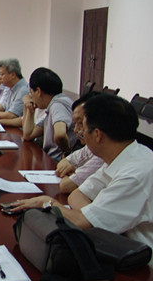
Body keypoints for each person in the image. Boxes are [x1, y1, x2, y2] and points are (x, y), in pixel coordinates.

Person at [11, 94, 153, 265]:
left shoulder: (135, 173)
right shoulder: (119, 156)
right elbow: (76, 195)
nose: (79, 133)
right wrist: (92, 215)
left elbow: (81, 222)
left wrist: (46, 202)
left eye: (83, 129)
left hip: (140, 266)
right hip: (114, 246)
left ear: (98, 135)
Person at [21, 67, 77, 161]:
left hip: (56, 162)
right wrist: (29, 108)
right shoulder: (53, 105)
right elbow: (28, 135)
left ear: (38, 91)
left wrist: (67, 153)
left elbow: (60, 134)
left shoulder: (58, 105)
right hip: (49, 159)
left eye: (31, 93)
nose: (31, 97)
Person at [56, 92, 104, 194]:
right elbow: (63, 162)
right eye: (75, 124)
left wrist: (73, 171)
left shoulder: (103, 154)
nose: (76, 130)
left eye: (81, 123)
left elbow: (66, 186)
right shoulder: (91, 147)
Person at [0, 58, 29, 127]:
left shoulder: (23, 90)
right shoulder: (11, 87)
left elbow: (12, 115)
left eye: (2, 74)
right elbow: (3, 107)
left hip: (17, 130)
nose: (0, 78)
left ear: (13, 75)